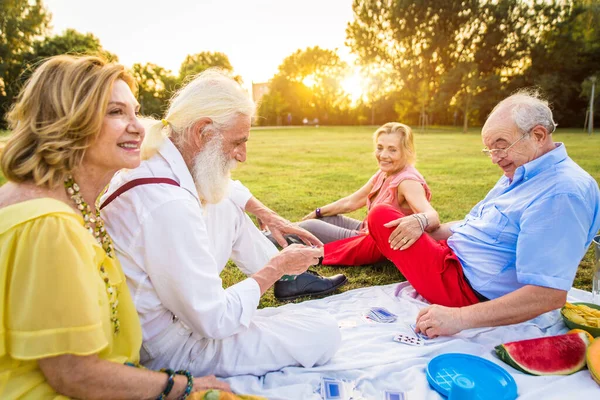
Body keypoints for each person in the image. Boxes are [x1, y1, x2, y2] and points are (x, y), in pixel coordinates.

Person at [0, 56, 229, 399]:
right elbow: (75, 375)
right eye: (115, 112)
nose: (138, 126)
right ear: (68, 121)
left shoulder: (69, 203)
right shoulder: (50, 225)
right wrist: (180, 386)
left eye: (135, 111)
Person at [100, 69, 343, 378]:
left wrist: (267, 214)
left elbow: (226, 190)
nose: (242, 156)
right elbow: (214, 320)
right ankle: (285, 274)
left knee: (225, 203)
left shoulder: (158, 151)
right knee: (323, 332)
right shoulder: (169, 205)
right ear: (202, 132)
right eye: (237, 142)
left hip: (170, 310)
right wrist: (276, 267)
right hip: (175, 349)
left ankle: (291, 280)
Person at [366, 91, 600, 338]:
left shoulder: (561, 193)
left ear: (539, 135)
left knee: (381, 216)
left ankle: (327, 252)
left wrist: (458, 318)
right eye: (489, 150)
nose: (494, 159)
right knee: (395, 220)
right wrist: (426, 228)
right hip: (454, 257)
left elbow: (548, 294)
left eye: (500, 146)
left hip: (464, 289)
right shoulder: (522, 170)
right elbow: (478, 224)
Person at [300, 122, 440, 267]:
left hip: (370, 242)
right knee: (325, 218)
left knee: (308, 227)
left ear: (407, 151)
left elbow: (432, 216)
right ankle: (281, 231)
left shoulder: (408, 182)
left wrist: (418, 222)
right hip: (364, 229)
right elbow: (351, 202)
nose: (383, 155)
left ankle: (276, 237)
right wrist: (318, 212)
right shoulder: (385, 172)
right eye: (380, 148)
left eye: (392, 150)